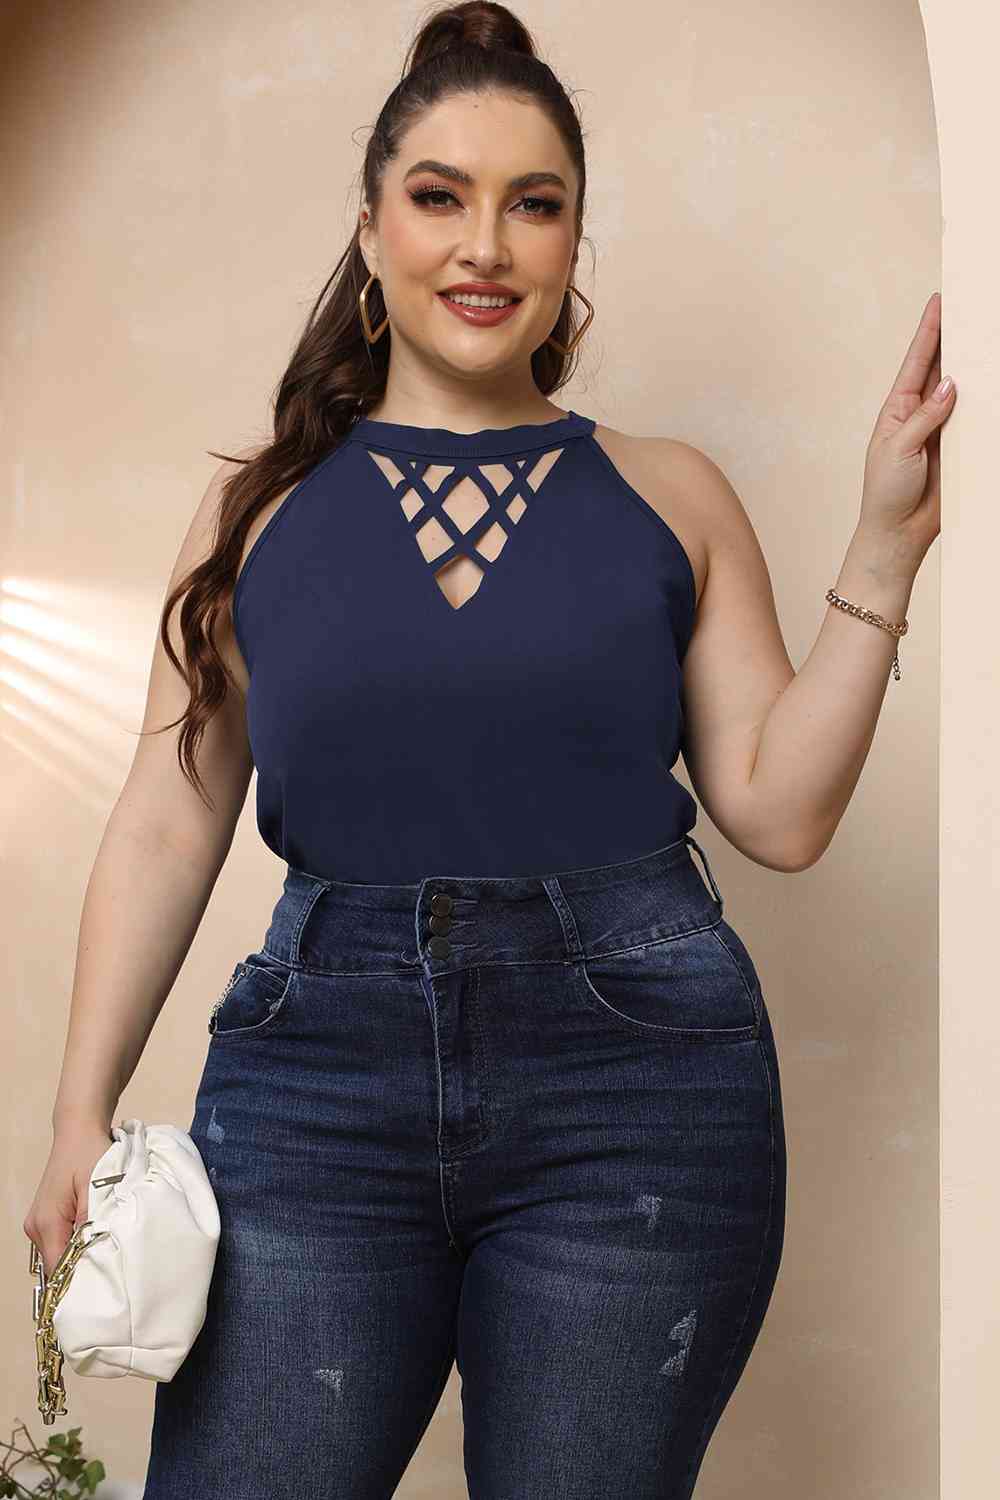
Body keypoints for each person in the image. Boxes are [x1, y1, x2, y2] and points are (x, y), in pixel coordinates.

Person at [23, 2, 953, 1496]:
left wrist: (886, 544)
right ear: (372, 228)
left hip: (636, 1091)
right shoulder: (257, 513)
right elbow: (167, 816)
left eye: (535, 204)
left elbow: (780, 812)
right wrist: (82, 1109)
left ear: (575, 239)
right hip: (316, 1088)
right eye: (440, 196)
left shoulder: (673, 494)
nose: (486, 245)